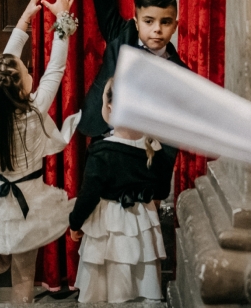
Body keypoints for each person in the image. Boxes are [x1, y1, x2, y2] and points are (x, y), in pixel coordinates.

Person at [0, 0, 80, 303]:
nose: (26, 67)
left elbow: (7, 62)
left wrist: (24, 21)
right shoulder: (34, 112)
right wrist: (61, 22)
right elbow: (56, 68)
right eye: (24, 70)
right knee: (22, 277)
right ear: (21, 90)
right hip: (26, 208)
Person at [77, 0, 189, 140]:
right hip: (103, 137)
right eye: (149, 21)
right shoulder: (120, 34)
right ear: (136, 22)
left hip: (145, 155)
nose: (157, 28)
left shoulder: (180, 72)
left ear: (175, 25)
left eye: (165, 22)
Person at [69, 78, 175, 303]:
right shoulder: (156, 148)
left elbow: (89, 195)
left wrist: (75, 223)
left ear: (110, 106)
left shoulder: (101, 151)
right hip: (144, 226)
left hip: (108, 228)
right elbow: (162, 190)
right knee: (141, 287)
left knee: (106, 289)